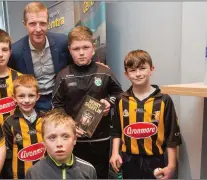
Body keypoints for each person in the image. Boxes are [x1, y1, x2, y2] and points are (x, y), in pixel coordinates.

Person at [52, 26, 123, 178]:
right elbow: (56, 106)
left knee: (100, 175)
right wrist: (69, 124)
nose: (81, 52)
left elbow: (120, 95)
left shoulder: (105, 72)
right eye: (76, 49)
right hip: (74, 140)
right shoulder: (63, 76)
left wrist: (109, 102)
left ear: (93, 47)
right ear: (70, 50)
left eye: (86, 47)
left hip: (101, 138)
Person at [109, 49, 182, 179]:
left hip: (156, 159)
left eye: (142, 68)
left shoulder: (164, 100)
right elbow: (116, 131)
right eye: (132, 70)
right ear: (126, 74)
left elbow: (172, 135)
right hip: (128, 160)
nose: (138, 74)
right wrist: (115, 153)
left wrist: (172, 165)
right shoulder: (121, 99)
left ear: (151, 69)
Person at [8, 2, 73, 112]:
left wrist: (95, 65)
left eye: (42, 23)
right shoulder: (15, 51)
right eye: (32, 24)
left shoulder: (62, 42)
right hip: (32, 104)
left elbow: (78, 61)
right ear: (25, 24)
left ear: (48, 23)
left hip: (60, 100)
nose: (38, 29)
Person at [25, 109, 97, 179]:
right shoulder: (33, 173)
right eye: (52, 137)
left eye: (65, 137)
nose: (59, 144)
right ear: (44, 142)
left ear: (74, 139)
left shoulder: (88, 171)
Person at [3, 74, 45, 179]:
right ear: (14, 97)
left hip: (45, 174)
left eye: (31, 96)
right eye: (21, 96)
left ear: (37, 96)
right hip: (20, 175)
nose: (26, 100)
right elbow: (7, 154)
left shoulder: (46, 119)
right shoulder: (9, 123)